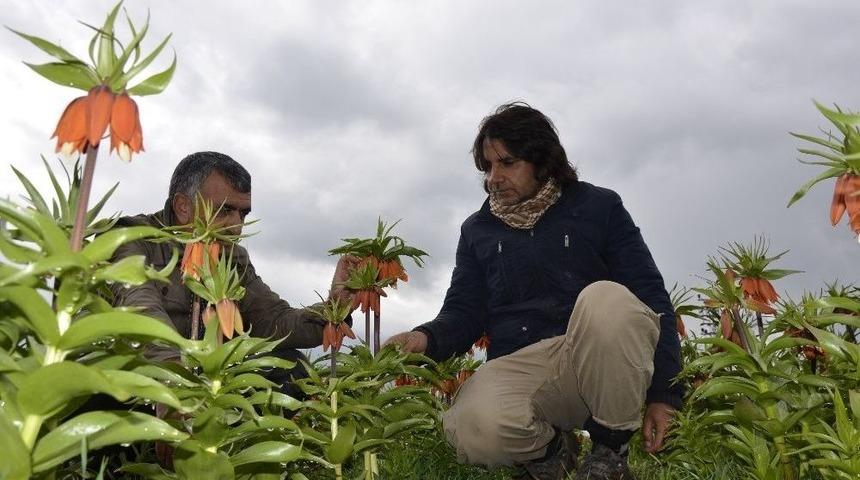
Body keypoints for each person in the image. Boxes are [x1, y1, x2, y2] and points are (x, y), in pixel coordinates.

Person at [386, 103, 682, 480]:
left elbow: (651, 297)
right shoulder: (478, 230)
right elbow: (464, 310)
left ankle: (610, 451)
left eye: (507, 163)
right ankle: (550, 451)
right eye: (488, 166)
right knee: (471, 427)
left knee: (606, 299)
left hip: (596, 358)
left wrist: (665, 394)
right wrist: (423, 337)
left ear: (542, 161)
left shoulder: (599, 207)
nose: (494, 177)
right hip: (527, 368)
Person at [110, 151, 354, 395]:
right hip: (141, 374)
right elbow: (140, 308)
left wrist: (336, 306)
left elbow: (272, 320)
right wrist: (174, 375)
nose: (236, 226)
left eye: (243, 213)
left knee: (291, 366)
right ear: (183, 207)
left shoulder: (233, 258)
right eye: (224, 211)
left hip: (204, 378)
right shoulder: (133, 238)